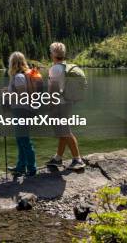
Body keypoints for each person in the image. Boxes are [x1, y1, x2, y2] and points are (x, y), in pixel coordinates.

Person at [45, 42, 86, 170]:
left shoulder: (54, 69)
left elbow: (52, 91)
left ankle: (77, 159)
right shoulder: (66, 67)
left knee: (65, 131)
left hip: (59, 105)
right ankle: (58, 158)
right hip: (68, 102)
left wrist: (50, 107)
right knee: (63, 131)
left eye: (51, 52)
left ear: (53, 54)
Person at [6, 51, 37, 176]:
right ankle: (21, 166)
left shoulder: (19, 77)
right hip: (22, 110)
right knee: (20, 139)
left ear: (13, 63)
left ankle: (31, 168)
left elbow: (22, 96)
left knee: (24, 140)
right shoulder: (20, 76)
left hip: (21, 111)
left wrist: (7, 95)